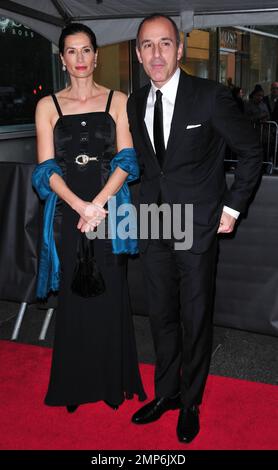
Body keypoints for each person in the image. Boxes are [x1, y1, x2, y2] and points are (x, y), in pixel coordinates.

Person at [127, 14, 262, 443]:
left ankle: (190, 401)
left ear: (180, 49)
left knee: (194, 316)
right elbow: (150, 168)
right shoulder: (134, 102)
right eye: (147, 45)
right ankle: (165, 393)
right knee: (161, 314)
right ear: (138, 53)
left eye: (164, 43)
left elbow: (251, 152)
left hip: (196, 224)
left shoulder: (210, 97)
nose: (156, 53)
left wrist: (233, 207)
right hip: (154, 223)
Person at [33, 23, 146, 411]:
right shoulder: (47, 105)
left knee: (112, 293)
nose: (80, 59)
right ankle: (74, 383)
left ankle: (112, 381)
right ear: (62, 58)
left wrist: (97, 203)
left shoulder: (118, 99)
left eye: (86, 51)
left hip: (110, 212)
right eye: (71, 51)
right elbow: (45, 169)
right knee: (72, 296)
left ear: (96, 56)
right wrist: (80, 207)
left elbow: (127, 160)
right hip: (67, 216)